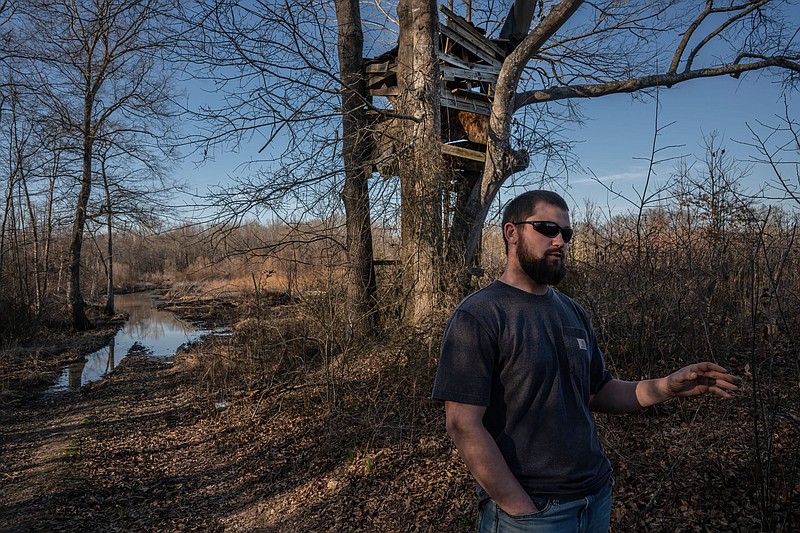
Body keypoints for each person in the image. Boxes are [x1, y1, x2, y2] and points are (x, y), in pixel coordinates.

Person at [432, 190, 738, 533]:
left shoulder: (572, 311)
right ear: (511, 233)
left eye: (566, 233)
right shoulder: (479, 314)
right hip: (533, 511)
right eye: (547, 228)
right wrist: (520, 510)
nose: (559, 241)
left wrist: (667, 386)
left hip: (594, 498)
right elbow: (462, 424)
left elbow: (598, 391)